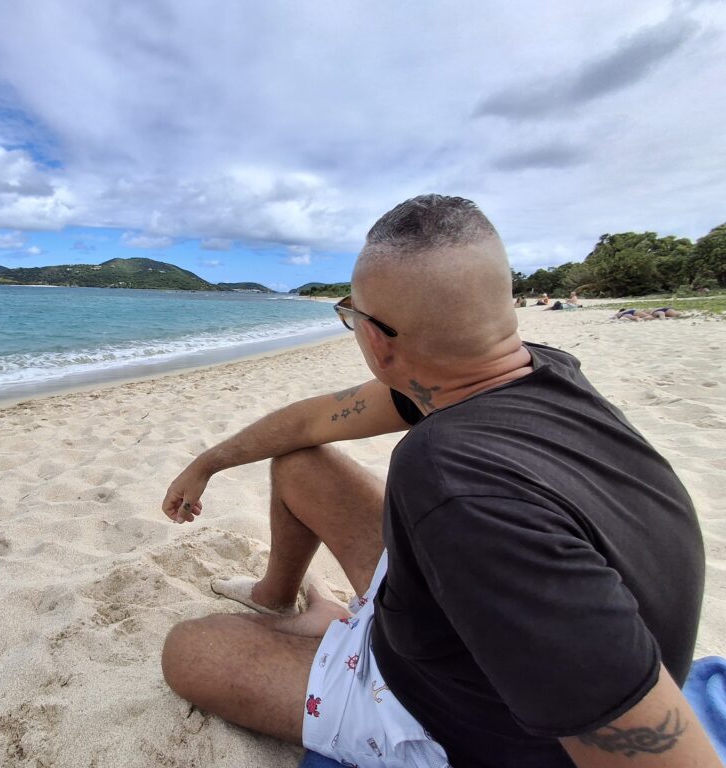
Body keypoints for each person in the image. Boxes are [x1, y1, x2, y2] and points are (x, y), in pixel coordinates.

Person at [160, 195, 714, 768]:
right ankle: (281, 602)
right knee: (300, 463)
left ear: (377, 339)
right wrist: (210, 462)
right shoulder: (538, 370)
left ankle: (340, 641)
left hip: (455, 717)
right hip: (463, 621)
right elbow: (310, 420)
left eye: (353, 314)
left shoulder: (452, 482)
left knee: (191, 650)